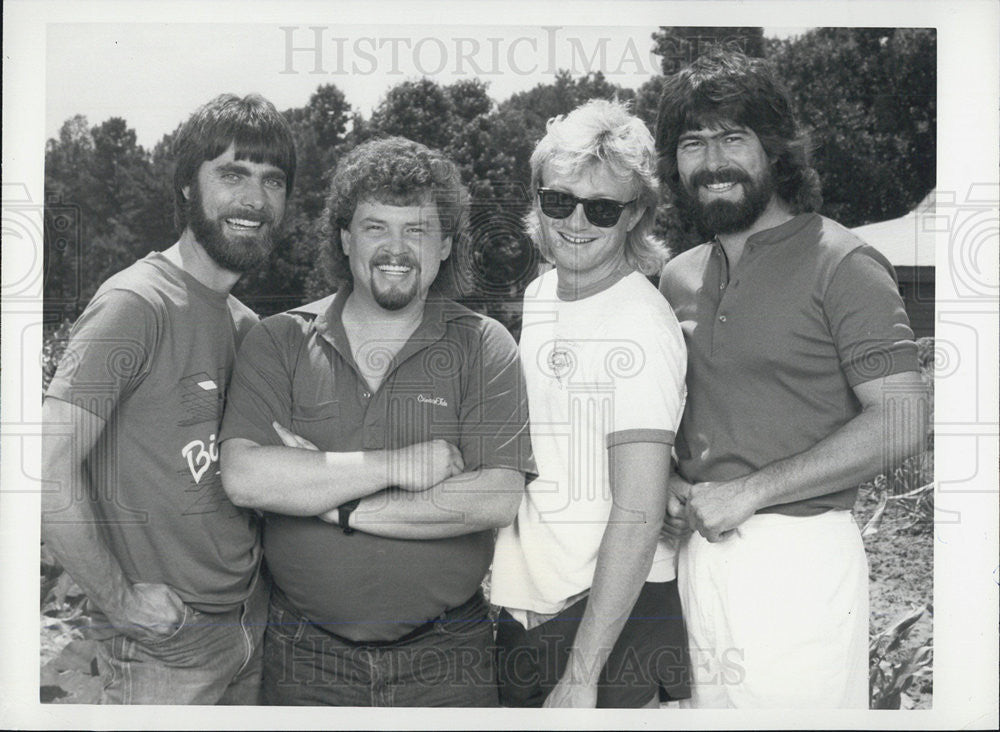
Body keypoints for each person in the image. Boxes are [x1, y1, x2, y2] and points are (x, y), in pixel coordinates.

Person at [654, 49, 929, 708]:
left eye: (733, 138)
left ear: (775, 149)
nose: (712, 160)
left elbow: (903, 420)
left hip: (799, 563)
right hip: (695, 554)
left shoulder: (843, 261)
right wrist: (667, 479)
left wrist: (750, 490)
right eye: (693, 142)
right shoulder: (677, 276)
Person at [217, 136, 534, 707]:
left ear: (444, 248)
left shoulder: (485, 345)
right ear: (344, 239)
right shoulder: (279, 340)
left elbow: (494, 498)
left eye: (416, 230)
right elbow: (245, 478)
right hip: (304, 660)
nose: (396, 248)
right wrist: (404, 466)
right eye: (375, 228)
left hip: (447, 662)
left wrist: (327, 496)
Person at [42, 93, 296, 704]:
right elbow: (43, 470)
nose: (254, 200)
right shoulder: (137, 303)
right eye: (232, 174)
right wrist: (121, 602)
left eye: (272, 180)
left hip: (248, 625)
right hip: (166, 646)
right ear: (187, 186)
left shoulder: (242, 325)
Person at [490, 99, 692, 708]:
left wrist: (581, 676)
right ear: (537, 201)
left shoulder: (640, 325)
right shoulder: (541, 293)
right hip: (532, 618)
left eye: (602, 208)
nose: (577, 221)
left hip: (608, 632)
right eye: (559, 200)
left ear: (636, 216)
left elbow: (638, 513)